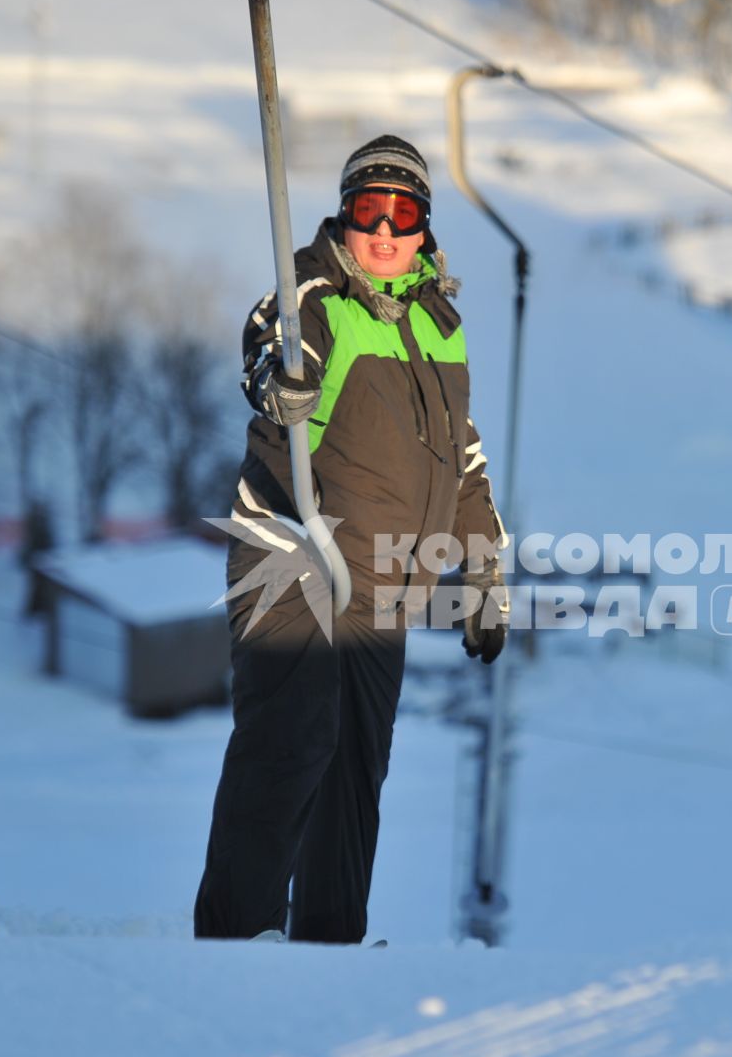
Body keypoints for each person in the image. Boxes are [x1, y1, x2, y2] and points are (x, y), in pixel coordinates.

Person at [194, 135, 509, 944]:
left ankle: (329, 948)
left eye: (402, 212)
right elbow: (268, 352)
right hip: (293, 552)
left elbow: (464, 458)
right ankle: (238, 937)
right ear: (345, 212)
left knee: (353, 776)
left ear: (424, 227)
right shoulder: (312, 295)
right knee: (291, 743)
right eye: (369, 208)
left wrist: (483, 571)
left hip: (385, 582)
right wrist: (278, 383)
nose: (384, 228)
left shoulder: (441, 324)